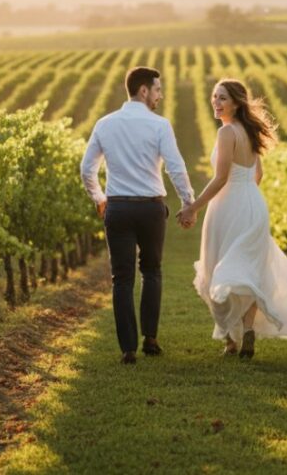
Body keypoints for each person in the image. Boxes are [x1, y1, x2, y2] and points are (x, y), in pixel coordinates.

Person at [179, 79, 287, 359]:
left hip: (228, 206)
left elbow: (221, 177)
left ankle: (231, 341)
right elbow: (257, 175)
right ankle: (246, 331)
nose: (216, 102)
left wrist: (194, 207)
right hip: (253, 204)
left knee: (219, 270)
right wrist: (247, 197)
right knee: (247, 270)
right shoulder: (249, 132)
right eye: (214, 96)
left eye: (222, 98)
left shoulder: (227, 133)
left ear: (236, 103)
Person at [81, 66, 195, 364]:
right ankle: (151, 339)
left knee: (121, 278)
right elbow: (175, 166)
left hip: (117, 207)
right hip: (150, 208)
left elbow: (86, 169)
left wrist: (98, 197)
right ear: (143, 90)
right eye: (157, 90)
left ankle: (128, 349)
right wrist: (188, 202)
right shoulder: (159, 125)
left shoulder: (105, 124)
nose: (160, 95)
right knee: (152, 271)